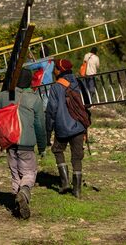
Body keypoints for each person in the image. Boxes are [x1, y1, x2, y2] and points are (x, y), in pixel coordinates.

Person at [0, 67, 46, 219]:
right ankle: (24, 192)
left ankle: (17, 203)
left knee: (15, 173)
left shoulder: (3, 96)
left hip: (9, 141)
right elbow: (39, 125)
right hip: (27, 142)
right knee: (29, 172)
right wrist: (42, 146)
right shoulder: (35, 99)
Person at [46, 59, 87, 198]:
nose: (54, 71)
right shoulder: (78, 83)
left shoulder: (56, 87)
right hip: (79, 126)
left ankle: (64, 183)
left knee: (57, 150)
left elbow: (51, 110)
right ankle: (77, 190)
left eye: (55, 68)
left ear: (60, 70)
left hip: (62, 127)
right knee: (77, 158)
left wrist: (48, 130)